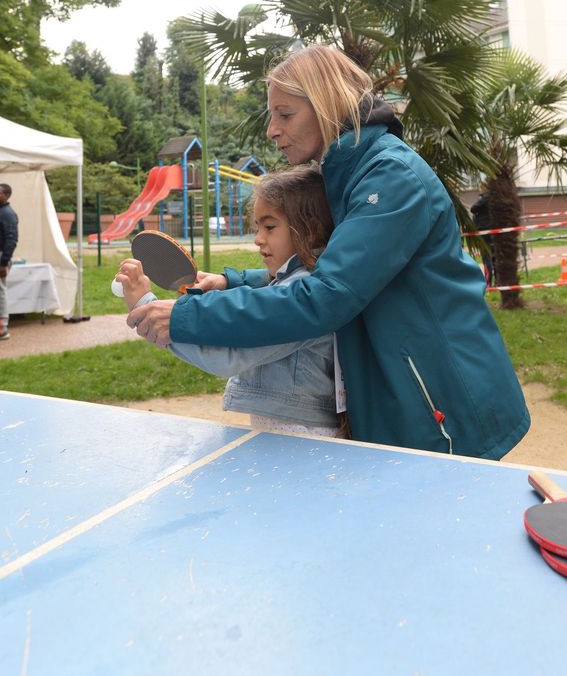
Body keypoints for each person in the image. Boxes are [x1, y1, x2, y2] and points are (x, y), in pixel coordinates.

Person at [128, 44, 530, 459]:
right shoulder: (344, 173)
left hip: (441, 392)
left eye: (285, 114)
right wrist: (234, 280)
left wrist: (187, 316)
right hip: (405, 387)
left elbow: (326, 295)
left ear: (327, 103)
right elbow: (326, 262)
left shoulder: (390, 175)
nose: (272, 129)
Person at [117, 167, 346, 437]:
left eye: (270, 227)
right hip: (292, 434)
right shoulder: (300, 280)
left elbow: (226, 356)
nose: (258, 239)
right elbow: (246, 310)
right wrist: (224, 284)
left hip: (303, 440)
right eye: (257, 227)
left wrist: (147, 305)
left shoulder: (300, 291)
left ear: (309, 230)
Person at [0, 183, 19, 341]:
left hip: (1, 258)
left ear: (6, 195)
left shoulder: (8, 213)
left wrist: (4, 262)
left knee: (0, 292)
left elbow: (12, 239)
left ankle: (2, 327)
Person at [470, 182, 494, 286]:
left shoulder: (485, 198)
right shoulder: (493, 199)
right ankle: (496, 281)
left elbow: (473, 208)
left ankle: (488, 282)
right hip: (492, 230)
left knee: (486, 257)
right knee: (493, 256)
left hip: (484, 230)